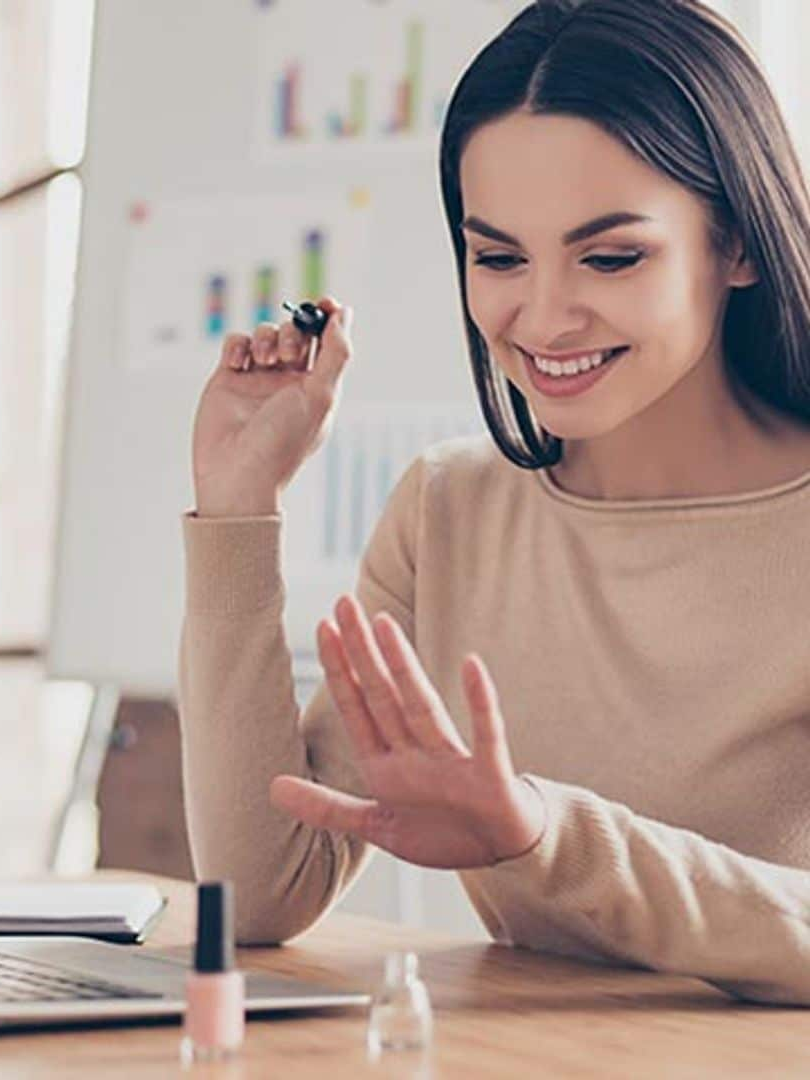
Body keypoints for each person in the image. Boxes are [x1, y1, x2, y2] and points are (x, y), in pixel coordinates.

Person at [178, 0, 810, 1005]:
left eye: (610, 256)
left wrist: (541, 834)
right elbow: (258, 893)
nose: (544, 315)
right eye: (500, 256)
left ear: (736, 245)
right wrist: (237, 508)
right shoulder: (451, 510)